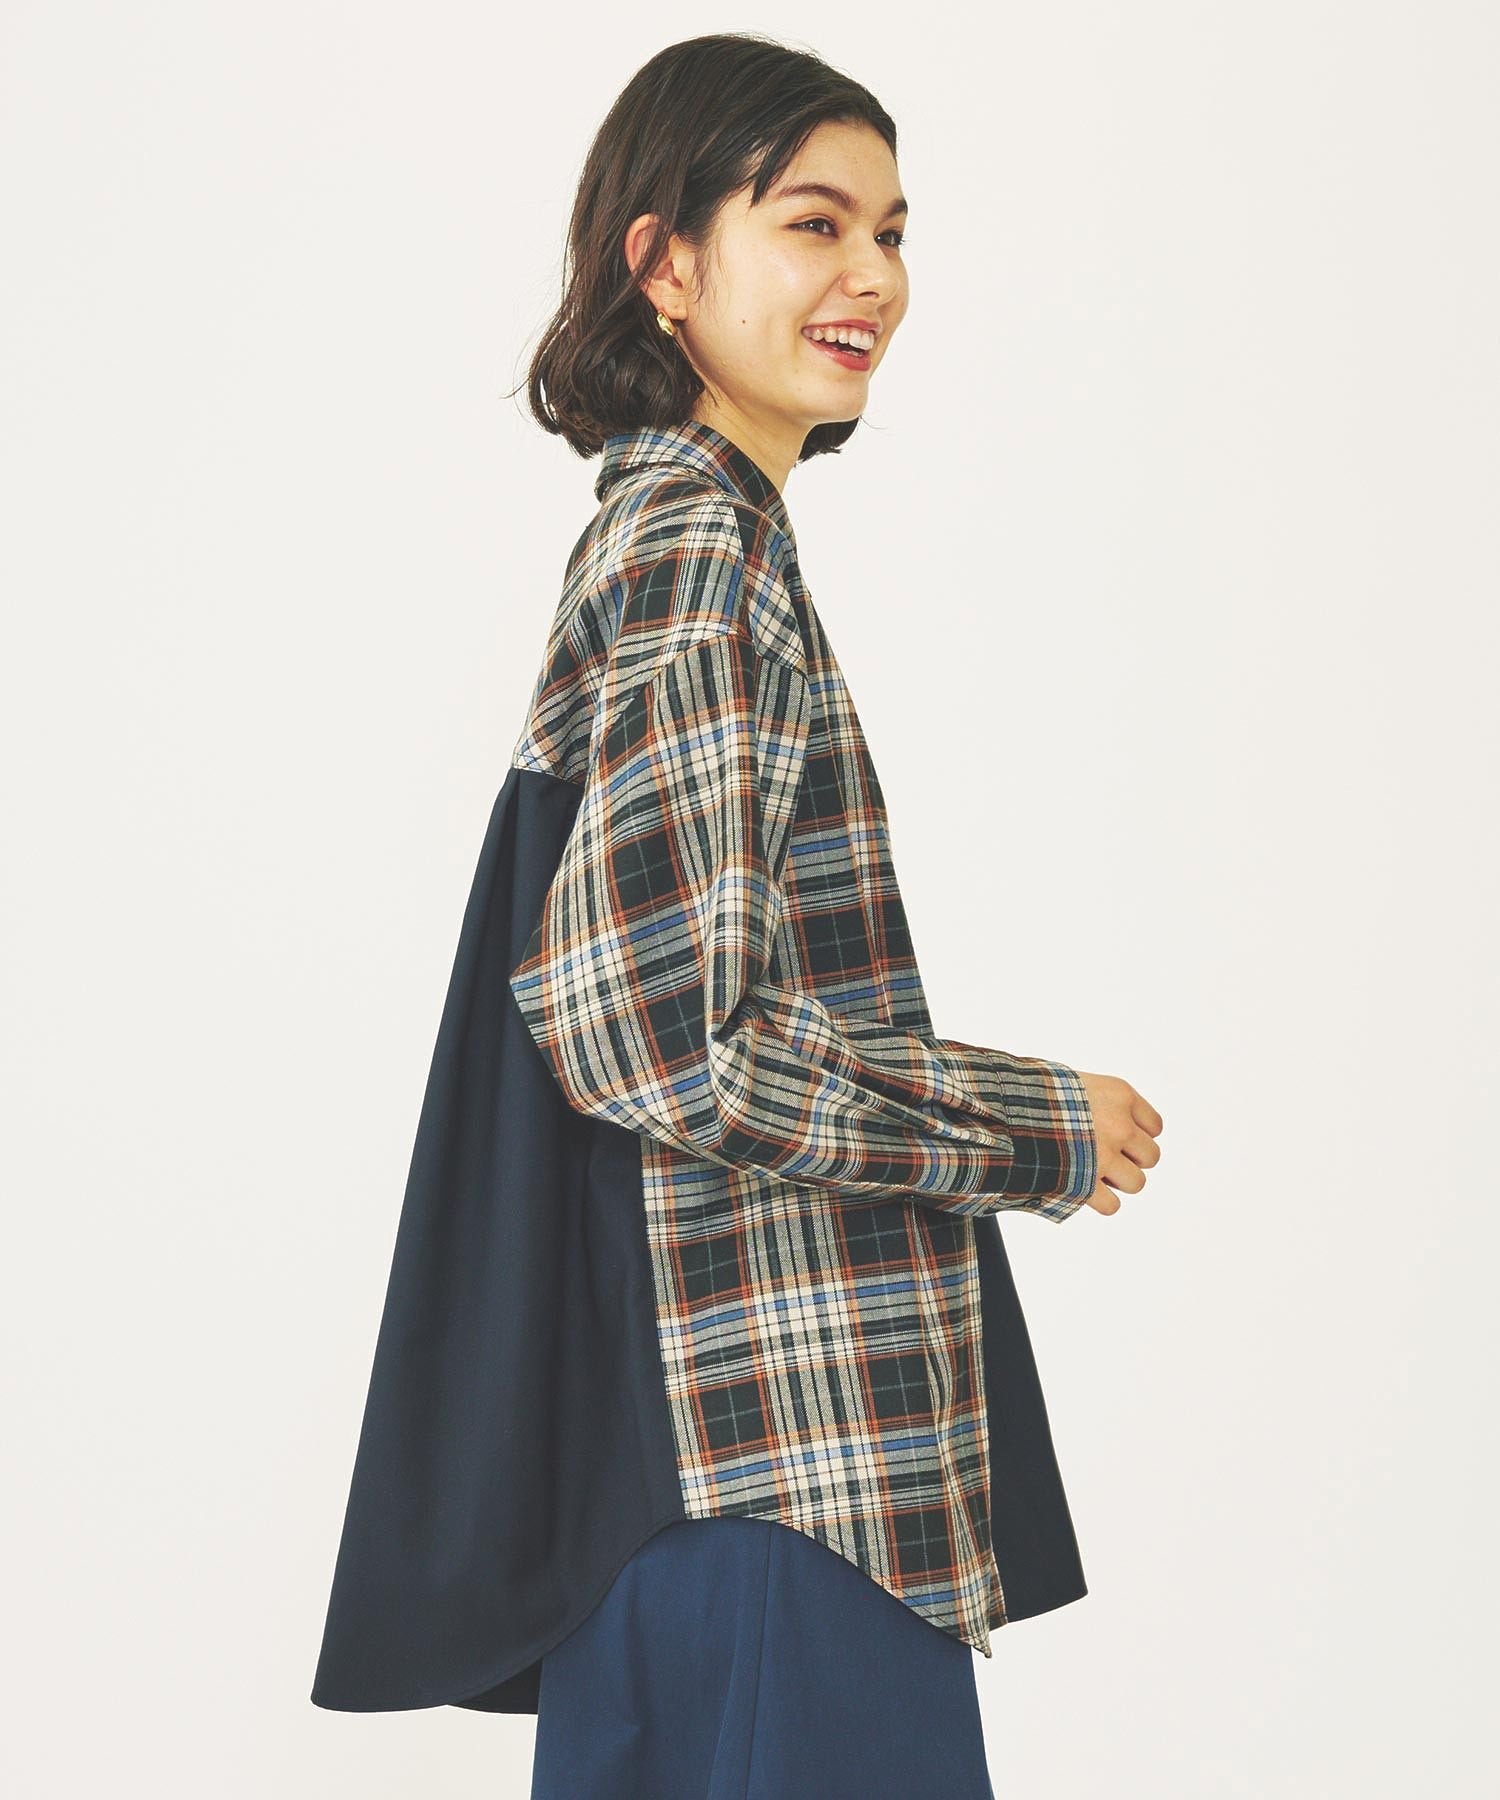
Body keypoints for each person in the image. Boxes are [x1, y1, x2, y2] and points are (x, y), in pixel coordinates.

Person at [310, 32, 1164, 1799]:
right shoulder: (703, 556)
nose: (874, 278)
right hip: (776, 1473)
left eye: (894, 233)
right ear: (667, 262)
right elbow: (662, 1040)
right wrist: (1036, 1125)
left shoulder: (681, 543)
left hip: (699, 1488)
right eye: (815, 223)